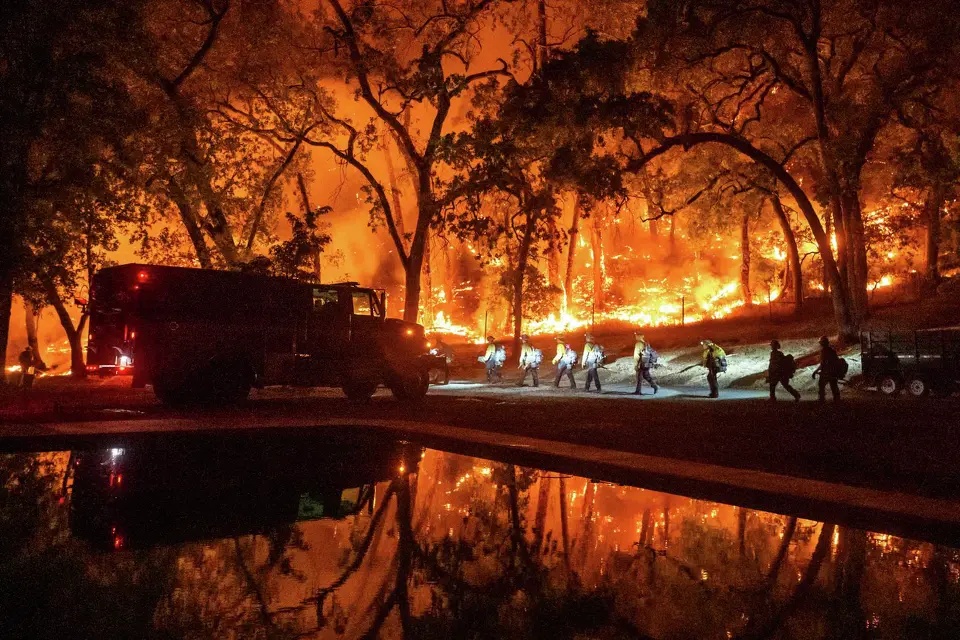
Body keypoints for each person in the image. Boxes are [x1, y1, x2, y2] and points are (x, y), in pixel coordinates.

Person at [813, 335, 842, 402]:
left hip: (826, 372)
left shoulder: (823, 351)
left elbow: (823, 363)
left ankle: (822, 399)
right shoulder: (832, 350)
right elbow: (836, 361)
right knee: (834, 386)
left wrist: (816, 371)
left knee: (821, 385)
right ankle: (837, 400)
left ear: (822, 343)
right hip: (833, 371)